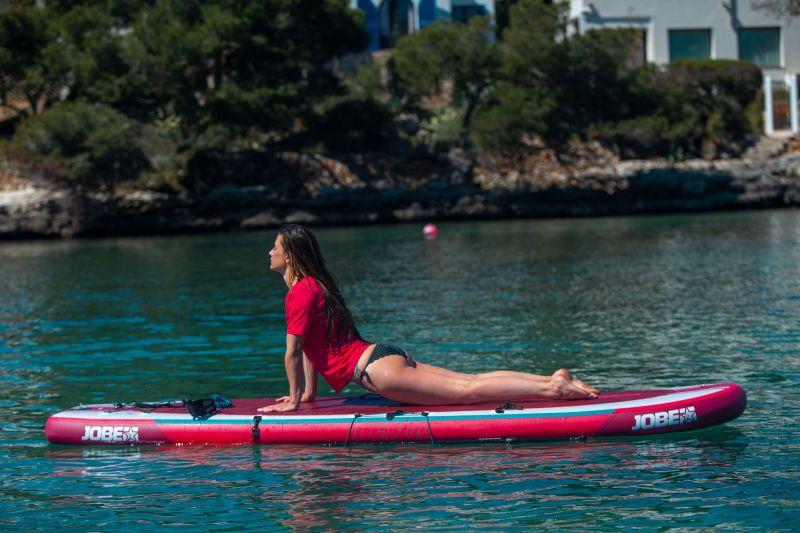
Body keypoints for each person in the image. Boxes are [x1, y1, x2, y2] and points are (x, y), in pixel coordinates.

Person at [258, 224, 598, 412]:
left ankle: (555, 388)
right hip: (380, 355)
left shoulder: (299, 292)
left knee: (468, 392)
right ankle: (549, 380)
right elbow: (312, 349)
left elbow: (292, 351)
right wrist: (306, 395)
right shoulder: (315, 286)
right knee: (470, 381)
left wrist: (292, 402)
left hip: (376, 371)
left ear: (288, 256)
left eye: (274, 247)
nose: (269, 253)